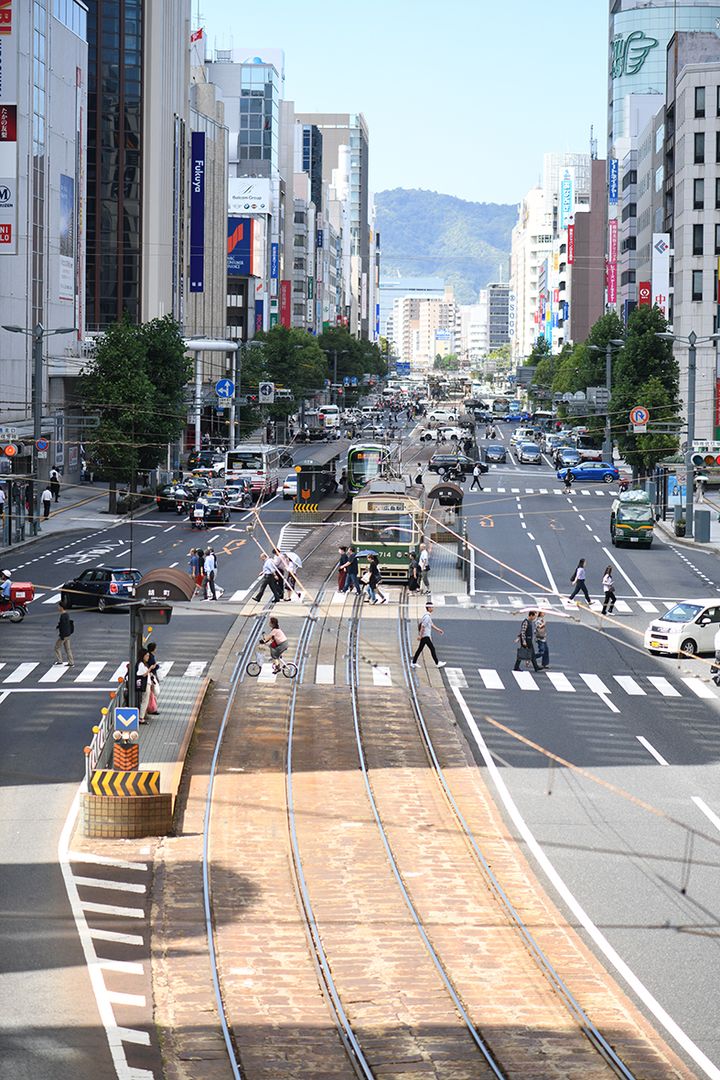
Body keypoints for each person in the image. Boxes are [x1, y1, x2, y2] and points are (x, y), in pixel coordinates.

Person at [411, 602, 446, 668]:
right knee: (432, 649)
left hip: (425, 635)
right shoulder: (427, 617)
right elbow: (423, 626)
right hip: (425, 636)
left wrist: (438, 630)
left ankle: (413, 662)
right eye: (432, 607)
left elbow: (431, 624)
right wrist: (420, 636)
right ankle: (437, 663)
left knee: (420, 649)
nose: (433, 608)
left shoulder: (427, 616)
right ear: (429, 608)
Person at [54, 603, 75, 667]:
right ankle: (71, 662)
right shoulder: (66, 614)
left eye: (59, 606)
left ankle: (60, 660)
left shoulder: (62, 616)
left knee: (57, 647)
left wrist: (62, 636)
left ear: (61, 607)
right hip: (68, 634)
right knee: (68, 649)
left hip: (64, 635)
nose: (58, 607)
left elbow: (63, 626)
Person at [137, 650, 152, 723]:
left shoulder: (143, 664)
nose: (148, 657)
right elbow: (143, 674)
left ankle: (142, 715)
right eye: (147, 655)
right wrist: (150, 669)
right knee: (144, 700)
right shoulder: (141, 664)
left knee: (145, 700)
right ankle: (141, 718)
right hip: (145, 684)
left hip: (147, 683)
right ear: (143, 656)